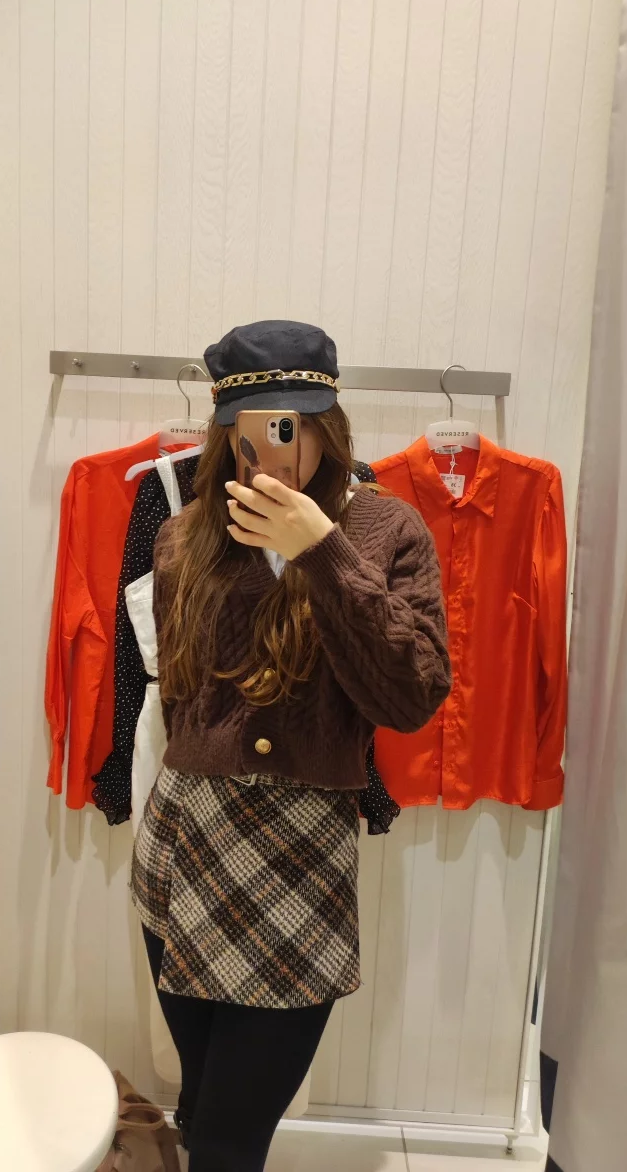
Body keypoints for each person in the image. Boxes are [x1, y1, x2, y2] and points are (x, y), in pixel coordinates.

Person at [131, 321, 451, 1171]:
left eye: (296, 423)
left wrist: (322, 553)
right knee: (204, 1105)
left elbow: (413, 697)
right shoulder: (184, 536)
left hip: (301, 859)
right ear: (227, 431)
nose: (279, 444)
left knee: (232, 1137)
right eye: (260, 425)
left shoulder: (386, 531)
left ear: (328, 426)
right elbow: (182, 699)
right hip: (186, 844)